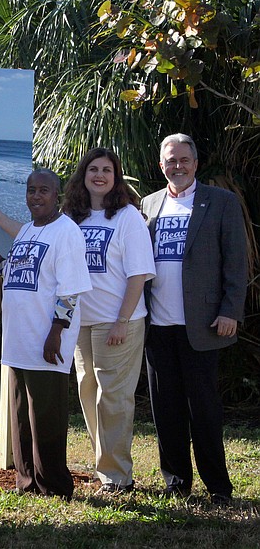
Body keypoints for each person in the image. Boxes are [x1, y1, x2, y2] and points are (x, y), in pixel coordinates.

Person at [0, 149, 156, 495]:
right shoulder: (73, 217)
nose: (99, 175)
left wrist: (123, 319)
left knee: (114, 399)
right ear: (82, 175)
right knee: (89, 396)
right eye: (93, 169)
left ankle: (117, 476)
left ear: (116, 176)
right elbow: (31, 237)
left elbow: (138, 274)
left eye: (107, 170)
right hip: (83, 324)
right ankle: (102, 466)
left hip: (114, 322)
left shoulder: (127, 217)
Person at [141, 133, 247, 505]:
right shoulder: (149, 204)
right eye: (171, 160)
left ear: (196, 163)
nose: (178, 166)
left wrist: (230, 309)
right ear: (161, 165)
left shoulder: (221, 202)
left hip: (203, 325)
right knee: (165, 408)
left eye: (184, 160)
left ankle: (218, 486)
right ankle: (176, 481)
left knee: (204, 409)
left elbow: (236, 262)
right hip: (157, 326)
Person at [0, 169, 91, 499]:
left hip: (46, 342)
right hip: (18, 342)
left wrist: (56, 333)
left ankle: (54, 486)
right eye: (30, 190)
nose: (35, 196)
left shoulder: (66, 232)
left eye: (43, 190)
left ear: (58, 197)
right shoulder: (26, 231)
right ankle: (27, 482)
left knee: (47, 420)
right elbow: (11, 273)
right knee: (22, 419)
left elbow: (71, 292)